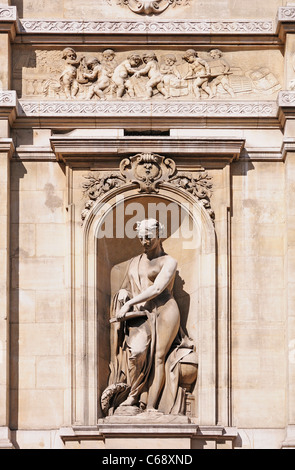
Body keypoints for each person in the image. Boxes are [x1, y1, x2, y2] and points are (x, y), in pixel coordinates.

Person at [103, 219, 196, 416]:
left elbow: (157, 288)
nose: (144, 241)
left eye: (148, 237)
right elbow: (131, 288)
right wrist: (124, 295)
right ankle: (135, 396)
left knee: (159, 357)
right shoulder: (135, 262)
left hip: (165, 311)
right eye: (141, 237)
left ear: (159, 235)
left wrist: (128, 303)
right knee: (137, 352)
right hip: (141, 314)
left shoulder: (169, 261)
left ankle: (152, 406)